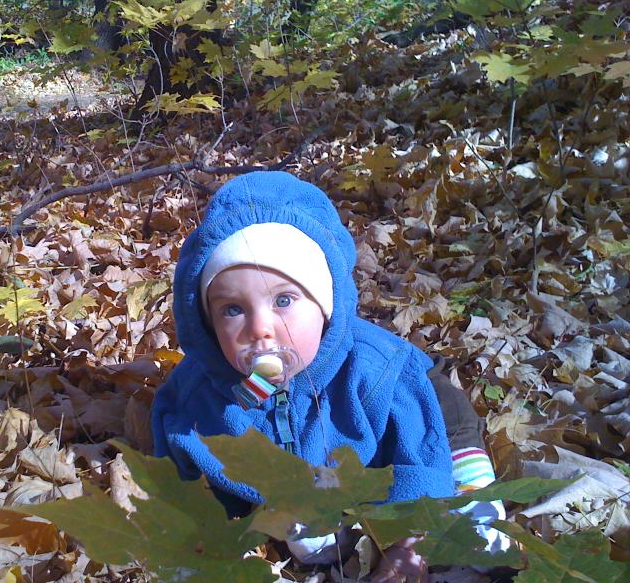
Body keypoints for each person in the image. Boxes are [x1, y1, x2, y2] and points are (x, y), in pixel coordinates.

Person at [151, 171, 507, 577]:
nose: (259, 328)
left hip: (426, 417)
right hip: (323, 473)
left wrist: (409, 541)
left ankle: (474, 501)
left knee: (459, 485)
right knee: (305, 529)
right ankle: (329, 518)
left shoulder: (375, 370)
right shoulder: (199, 396)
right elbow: (183, 470)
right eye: (233, 309)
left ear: (324, 306)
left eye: (283, 300)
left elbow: (415, 448)